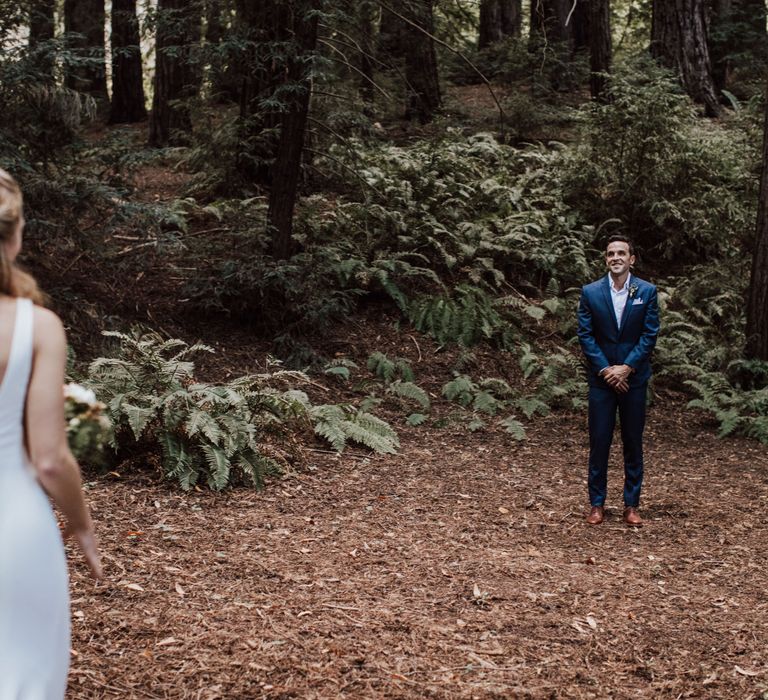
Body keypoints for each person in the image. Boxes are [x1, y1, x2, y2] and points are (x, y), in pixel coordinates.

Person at [0, 168, 102, 699]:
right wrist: (82, 526)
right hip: (12, 529)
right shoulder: (36, 327)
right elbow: (49, 460)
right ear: (14, 236)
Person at [577, 235, 659, 527]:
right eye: (611, 253)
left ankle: (631, 504)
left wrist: (626, 368)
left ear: (631, 259)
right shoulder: (590, 292)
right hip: (602, 381)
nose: (616, 257)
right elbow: (585, 336)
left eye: (621, 253)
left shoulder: (647, 292)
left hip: (634, 380)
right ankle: (597, 504)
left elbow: (649, 335)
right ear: (605, 259)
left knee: (632, 442)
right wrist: (606, 370)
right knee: (599, 441)